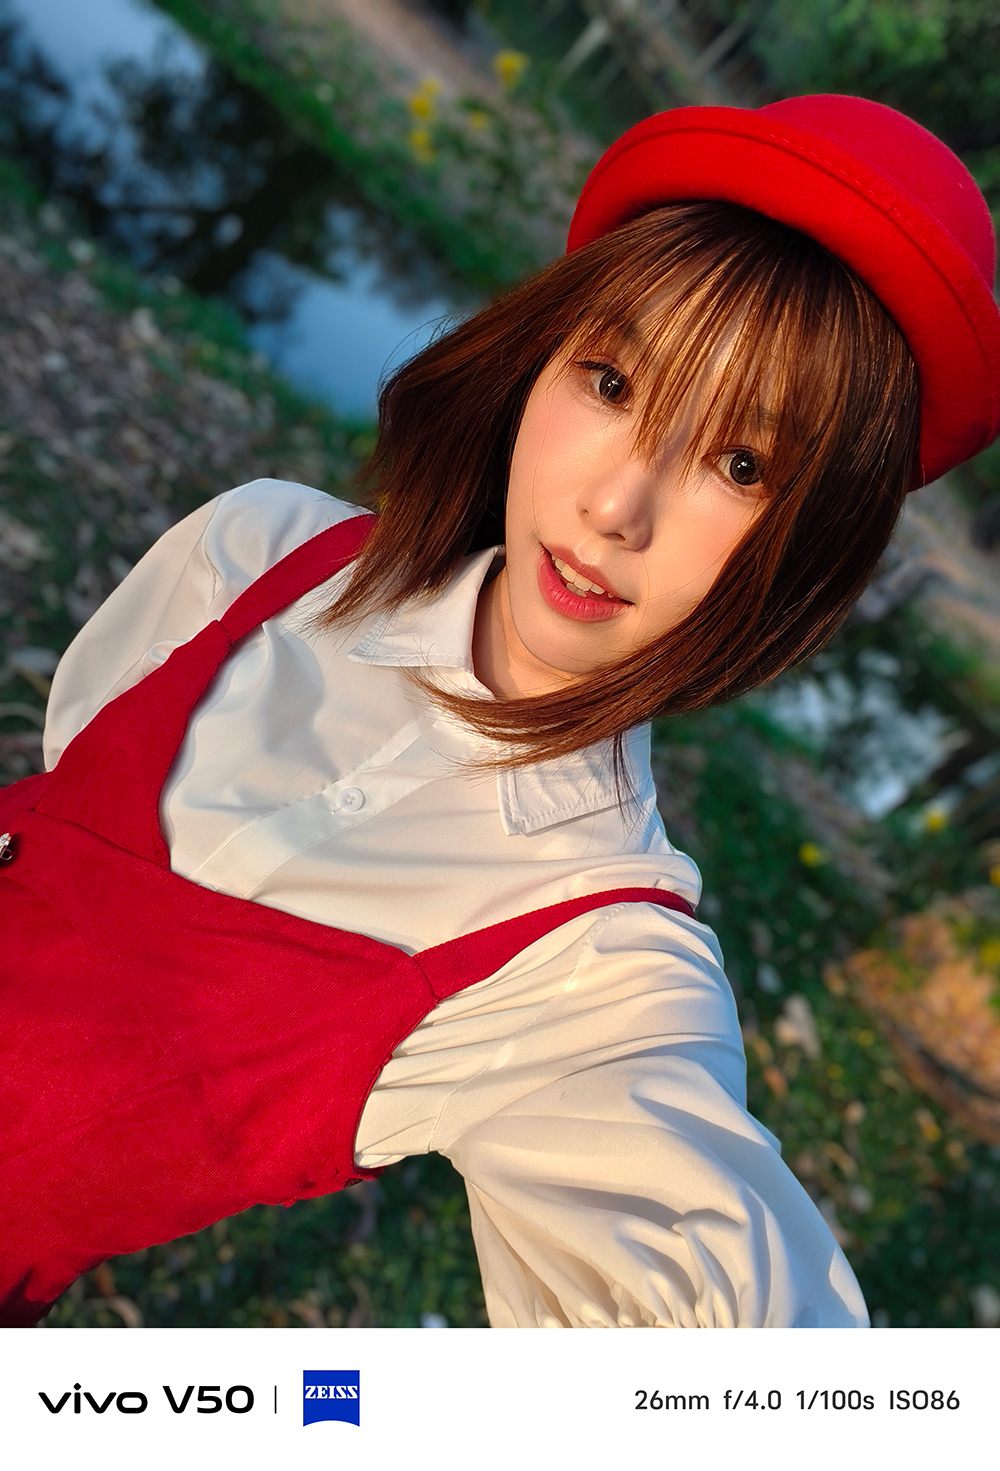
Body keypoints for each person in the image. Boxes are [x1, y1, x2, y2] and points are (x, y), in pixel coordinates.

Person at [1, 94, 998, 1329]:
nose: (614, 508)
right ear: (542, 356)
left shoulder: (592, 968)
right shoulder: (261, 548)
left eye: (740, 465)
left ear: (809, 550)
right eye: (612, 380)